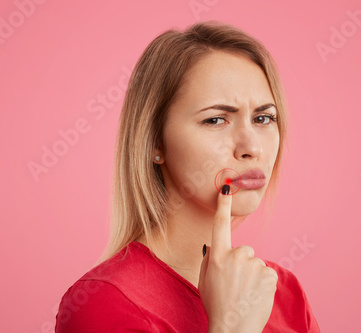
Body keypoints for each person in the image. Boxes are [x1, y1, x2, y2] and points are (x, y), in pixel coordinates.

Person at [55, 20, 320, 332]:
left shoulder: (283, 293)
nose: (252, 147)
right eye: (216, 120)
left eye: (263, 118)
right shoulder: (102, 304)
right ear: (154, 141)